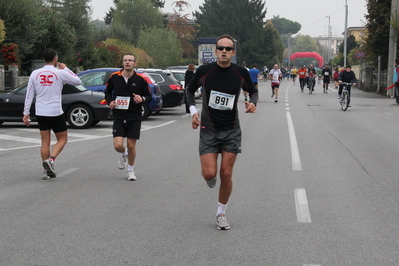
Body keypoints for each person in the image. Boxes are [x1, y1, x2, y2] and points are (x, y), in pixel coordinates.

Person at [186, 34, 258, 230]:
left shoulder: (241, 72)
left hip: (231, 130)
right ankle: (211, 178)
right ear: (216, 51)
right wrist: (193, 111)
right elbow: (189, 90)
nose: (224, 51)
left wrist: (253, 102)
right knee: (210, 174)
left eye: (228, 48)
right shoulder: (204, 71)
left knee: (226, 173)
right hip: (208, 129)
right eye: (221, 48)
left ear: (233, 52)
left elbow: (253, 91)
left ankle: (221, 213)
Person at [22, 48, 82, 180]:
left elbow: (29, 94)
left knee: (45, 141)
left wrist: (26, 113)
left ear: (44, 59)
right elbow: (78, 81)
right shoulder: (59, 73)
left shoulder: (35, 74)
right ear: (55, 59)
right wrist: (66, 69)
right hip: (55, 111)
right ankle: (51, 160)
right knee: (62, 139)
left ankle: (45, 171)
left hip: (40, 111)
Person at [104, 53, 152, 181]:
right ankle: (124, 154)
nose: (127, 62)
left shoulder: (140, 79)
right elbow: (107, 92)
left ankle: (130, 170)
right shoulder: (114, 77)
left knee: (131, 145)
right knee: (118, 146)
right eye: (125, 60)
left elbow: (149, 96)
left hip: (134, 116)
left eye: (130, 60)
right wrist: (110, 102)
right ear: (122, 63)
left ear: (135, 64)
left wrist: (141, 98)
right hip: (119, 115)